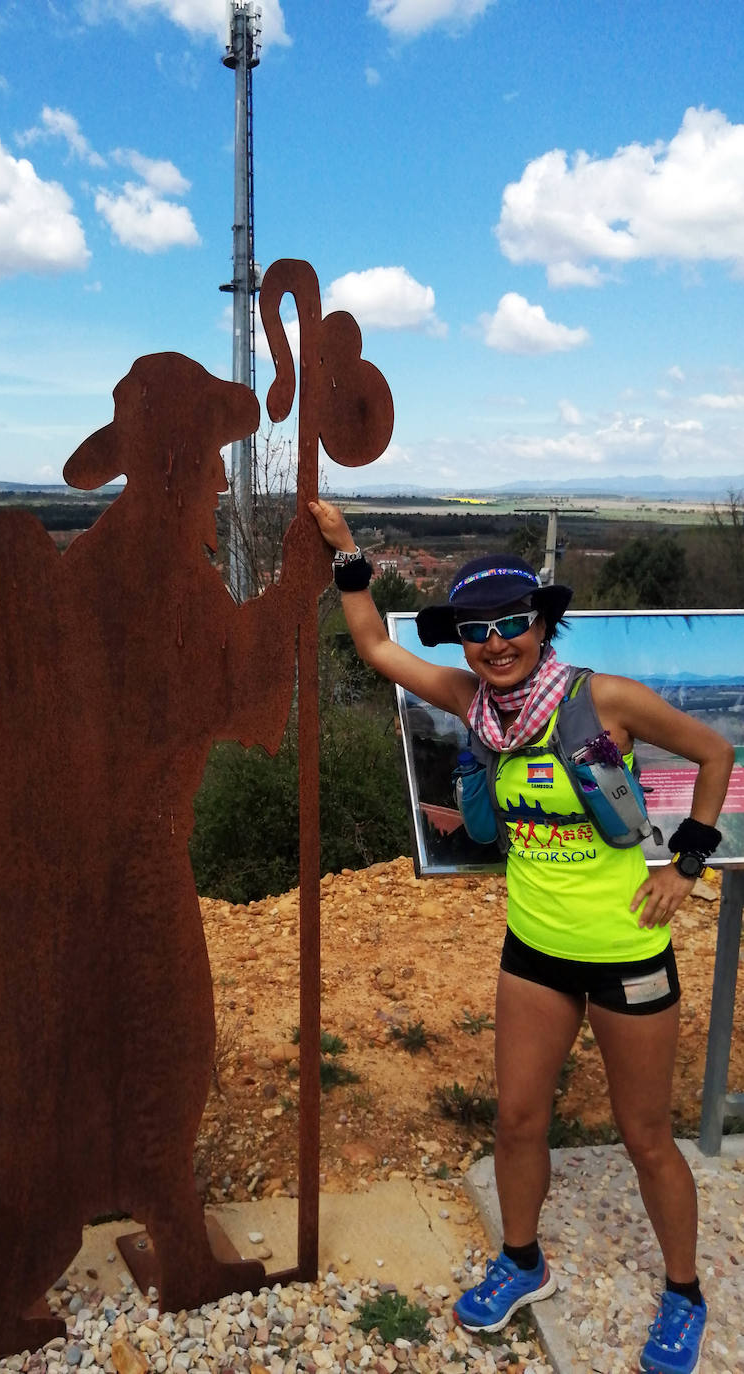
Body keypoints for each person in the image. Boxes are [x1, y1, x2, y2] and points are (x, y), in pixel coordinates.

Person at [308, 498, 733, 1374]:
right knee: (514, 1122)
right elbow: (378, 649)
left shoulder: (601, 698)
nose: (495, 643)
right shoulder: (473, 705)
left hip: (625, 954)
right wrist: (348, 554)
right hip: (532, 954)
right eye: (475, 630)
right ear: (461, 640)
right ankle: (521, 1262)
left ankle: (684, 1293)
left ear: (542, 626)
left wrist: (685, 865)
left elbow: (714, 755)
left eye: (512, 625)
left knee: (647, 1136)